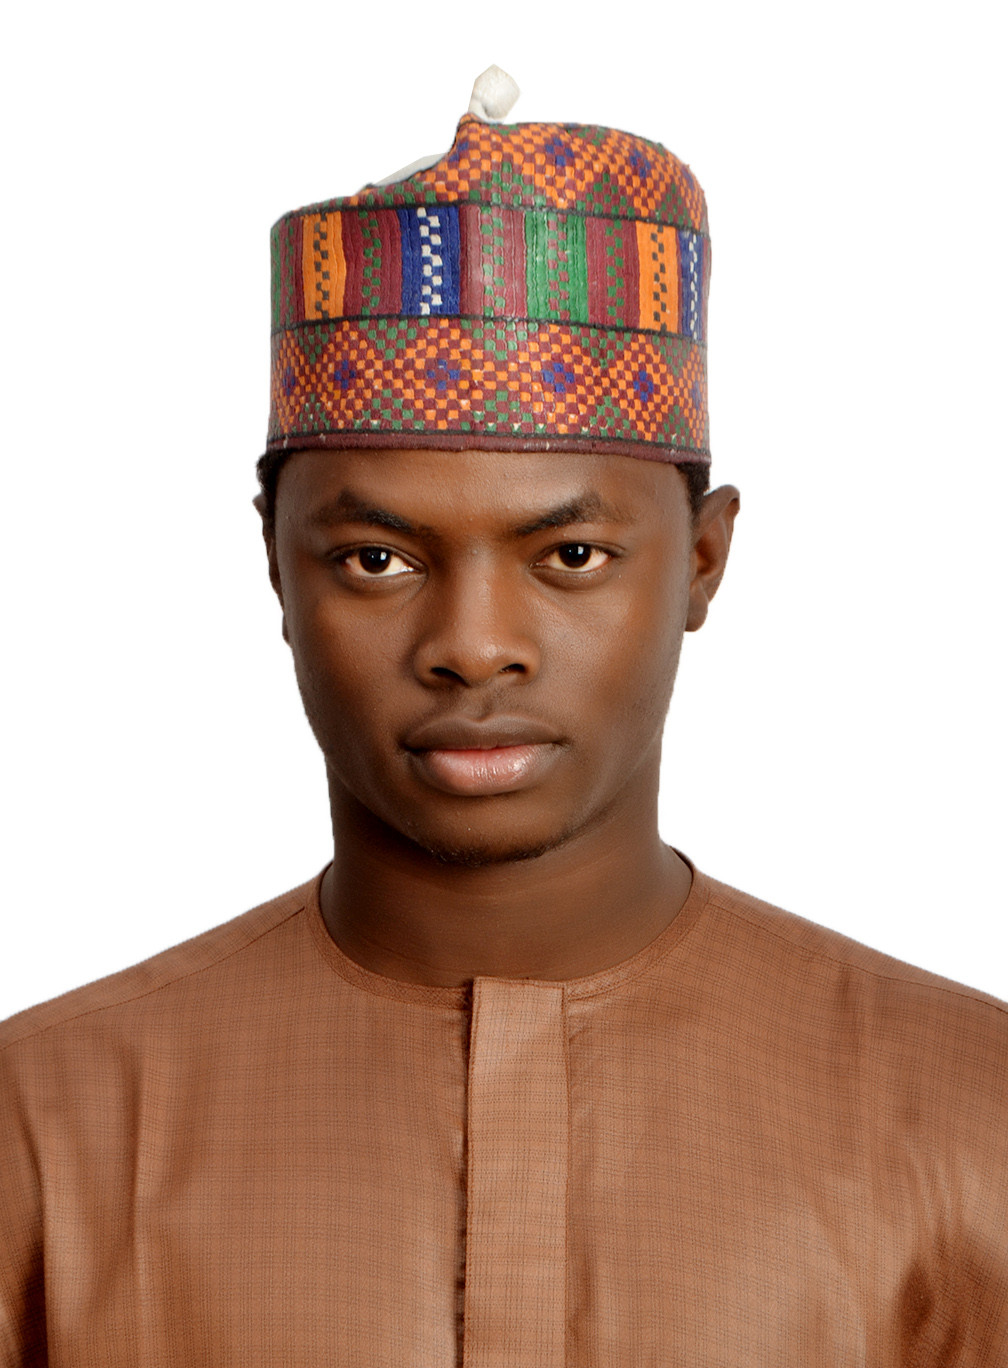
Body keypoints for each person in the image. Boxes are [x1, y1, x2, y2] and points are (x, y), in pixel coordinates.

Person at [2, 69, 1006, 1368]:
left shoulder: (970, 1118)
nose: (474, 645)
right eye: (377, 559)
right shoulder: (44, 1136)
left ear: (703, 563)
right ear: (276, 567)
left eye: (570, 556)